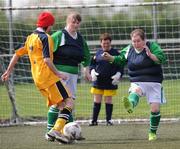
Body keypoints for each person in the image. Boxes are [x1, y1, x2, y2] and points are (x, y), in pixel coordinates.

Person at [1, 11, 74, 144]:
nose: (51, 28)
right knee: (69, 102)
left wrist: (8, 71)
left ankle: (54, 133)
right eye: (51, 25)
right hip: (49, 77)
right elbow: (47, 60)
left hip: (38, 80)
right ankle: (56, 130)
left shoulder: (30, 37)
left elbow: (17, 54)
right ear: (48, 25)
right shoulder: (45, 38)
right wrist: (58, 73)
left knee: (61, 105)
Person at [102, 29, 166, 141]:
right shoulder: (129, 49)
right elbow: (120, 60)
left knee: (155, 109)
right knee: (135, 91)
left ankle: (152, 132)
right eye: (134, 41)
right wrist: (110, 58)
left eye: (138, 41)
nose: (136, 44)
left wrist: (150, 55)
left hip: (154, 82)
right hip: (137, 80)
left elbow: (161, 59)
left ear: (144, 40)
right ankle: (130, 104)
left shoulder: (152, 46)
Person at [46, 11, 91, 136]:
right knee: (58, 103)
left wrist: (86, 71)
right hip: (58, 74)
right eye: (73, 22)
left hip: (73, 75)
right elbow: (46, 52)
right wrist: (54, 71)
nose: (75, 24)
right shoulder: (59, 35)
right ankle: (49, 131)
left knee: (70, 103)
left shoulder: (80, 39)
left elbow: (87, 56)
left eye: (78, 22)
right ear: (67, 22)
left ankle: (69, 132)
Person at [89, 33, 124, 126]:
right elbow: (92, 63)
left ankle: (108, 120)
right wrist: (92, 71)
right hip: (98, 81)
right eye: (104, 43)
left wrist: (118, 74)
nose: (106, 45)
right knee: (97, 100)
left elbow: (121, 65)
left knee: (108, 100)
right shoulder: (98, 53)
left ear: (110, 43)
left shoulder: (116, 53)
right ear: (101, 43)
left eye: (107, 43)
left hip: (110, 81)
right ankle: (94, 120)